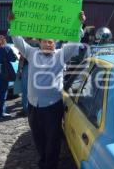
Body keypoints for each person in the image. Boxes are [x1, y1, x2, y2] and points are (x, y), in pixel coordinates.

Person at [8, 11, 86, 169]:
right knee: (38, 137)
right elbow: (17, 42)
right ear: (40, 43)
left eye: (51, 42)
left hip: (52, 107)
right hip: (33, 106)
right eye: (45, 42)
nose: (48, 44)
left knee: (52, 139)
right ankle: (44, 159)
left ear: (55, 43)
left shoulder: (61, 55)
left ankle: (50, 165)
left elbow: (74, 41)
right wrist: (13, 23)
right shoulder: (31, 53)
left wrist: (79, 23)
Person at [17, 37, 39, 116]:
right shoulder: (39, 41)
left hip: (28, 67)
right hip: (36, 67)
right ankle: (33, 109)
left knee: (25, 90)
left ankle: (26, 110)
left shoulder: (26, 42)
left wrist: (19, 69)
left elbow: (22, 58)